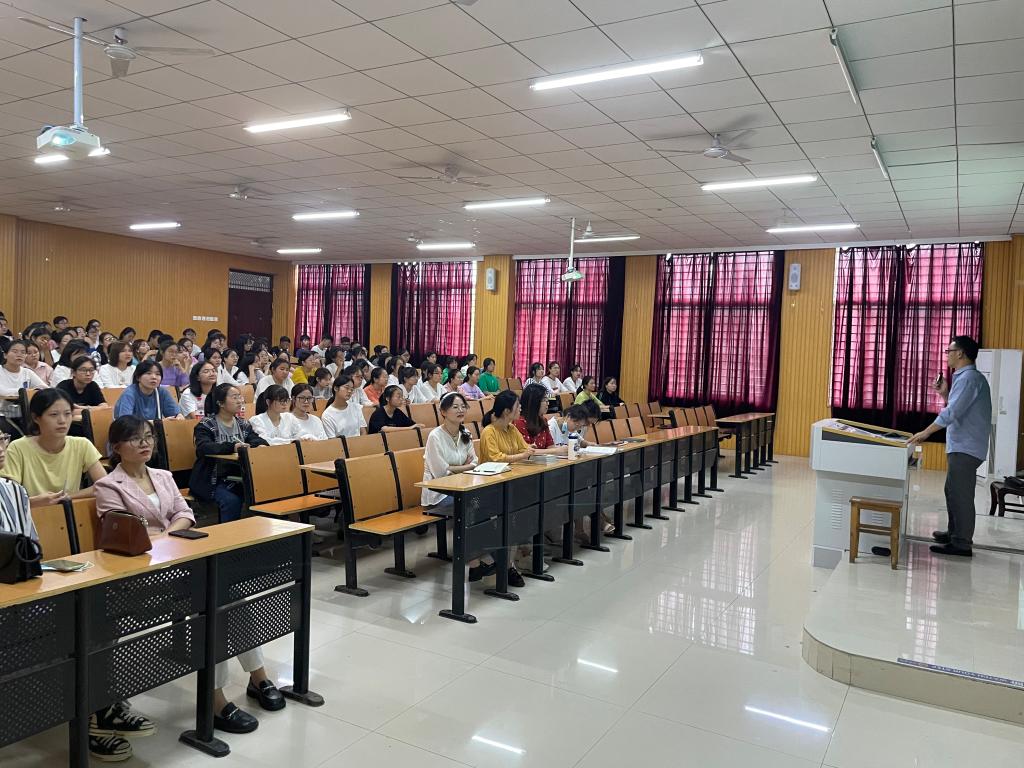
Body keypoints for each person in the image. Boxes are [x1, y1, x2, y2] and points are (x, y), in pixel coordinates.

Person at [95, 416, 280, 737]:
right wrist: (167, 536)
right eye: (135, 438)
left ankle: (258, 676)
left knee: (228, 594)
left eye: (149, 436)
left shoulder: (163, 476)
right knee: (214, 599)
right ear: (116, 447)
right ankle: (216, 699)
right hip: (139, 571)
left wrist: (166, 535)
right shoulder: (108, 486)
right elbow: (125, 531)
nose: (145, 443)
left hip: (178, 558)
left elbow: (185, 513)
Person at [909, 335, 992, 557]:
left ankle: (962, 543)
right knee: (952, 491)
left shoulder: (969, 379)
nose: (947, 355)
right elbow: (958, 407)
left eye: (949, 351)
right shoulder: (965, 378)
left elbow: (952, 413)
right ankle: (954, 532)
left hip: (966, 447)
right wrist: (945, 393)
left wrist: (926, 432)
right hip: (962, 445)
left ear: (961, 353)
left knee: (960, 495)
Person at [421, 393, 495, 581]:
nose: (461, 410)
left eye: (463, 406)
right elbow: (440, 473)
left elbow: (475, 461)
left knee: (485, 506)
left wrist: (456, 468)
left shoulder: (465, 433)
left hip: (462, 489)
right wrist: (465, 467)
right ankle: (475, 563)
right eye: (455, 407)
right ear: (443, 412)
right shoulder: (435, 437)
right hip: (438, 494)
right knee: (470, 508)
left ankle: (486, 557)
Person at [0, 388, 106, 506]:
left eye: (67, 414)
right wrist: (33, 502)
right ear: (36, 417)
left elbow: (105, 486)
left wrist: (66, 498)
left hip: (68, 512)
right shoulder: (18, 448)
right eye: (54, 414)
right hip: (31, 513)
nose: (62, 421)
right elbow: (8, 496)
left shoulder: (82, 445)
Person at [190, 383, 268, 522]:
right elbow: (204, 447)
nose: (240, 401)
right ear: (220, 403)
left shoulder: (243, 424)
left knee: (268, 492)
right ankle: (229, 534)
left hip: (241, 477)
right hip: (214, 480)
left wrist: (260, 445)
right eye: (234, 397)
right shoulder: (206, 425)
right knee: (231, 501)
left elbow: (256, 439)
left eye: (240, 397)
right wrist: (232, 447)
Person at [479, 390, 534, 587]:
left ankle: (511, 560)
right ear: (506, 411)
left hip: (509, 483)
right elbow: (496, 459)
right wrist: (522, 456)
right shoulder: (489, 432)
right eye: (517, 406)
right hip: (489, 488)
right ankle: (506, 564)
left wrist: (525, 453)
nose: (520, 409)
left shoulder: (511, 429)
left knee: (525, 511)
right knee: (510, 519)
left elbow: (525, 448)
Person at [0, 339, 48, 433]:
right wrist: (28, 391)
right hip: (2, 414)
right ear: (5, 355)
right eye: (15, 351)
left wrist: (29, 391)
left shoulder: (27, 372)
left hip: (25, 413)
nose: (19, 355)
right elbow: (3, 392)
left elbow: (45, 388)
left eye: (23, 352)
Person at [56, 357, 109, 435]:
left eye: (91, 370)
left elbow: (104, 407)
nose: (88, 374)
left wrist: (83, 408)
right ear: (73, 372)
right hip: (68, 426)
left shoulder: (93, 385)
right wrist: (93, 410)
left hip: (88, 423)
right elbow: (64, 411)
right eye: (83, 370)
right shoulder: (63, 386)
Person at [114, 360, 182, 420]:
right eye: (148, 373)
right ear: (138, 377)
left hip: (154, 429)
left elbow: (176, 414)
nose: (154, 377)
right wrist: (159, 423)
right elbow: (125, 422)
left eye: (158, 374)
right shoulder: (129, 393)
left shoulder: (162, 392)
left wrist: (179, 417)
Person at [248, 385, 313, 444]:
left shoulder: (289, 417)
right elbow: (265, 441)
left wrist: (307, 437)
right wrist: (292, 441)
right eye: (281, 401)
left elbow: (301, 433)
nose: (285, 404)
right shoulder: (257, 420)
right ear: (268, 402)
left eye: (286, 400)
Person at [513, 384, 566, 455]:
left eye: (547, 400)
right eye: (544, 400)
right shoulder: (520, 422)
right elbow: (526, 451)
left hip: (543, 460)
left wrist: (563, 450)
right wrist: (556, 451)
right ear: (534, 401)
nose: (548, 403)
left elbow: (550, 446)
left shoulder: (543, 420)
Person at [321, 374, 366, 438]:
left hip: (359, 443)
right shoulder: (327, 415)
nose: (350, 391)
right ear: (336, 388)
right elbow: (332, 440)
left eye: (352, 389)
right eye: (347, 388)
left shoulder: (356, 407)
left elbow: (363, 432)